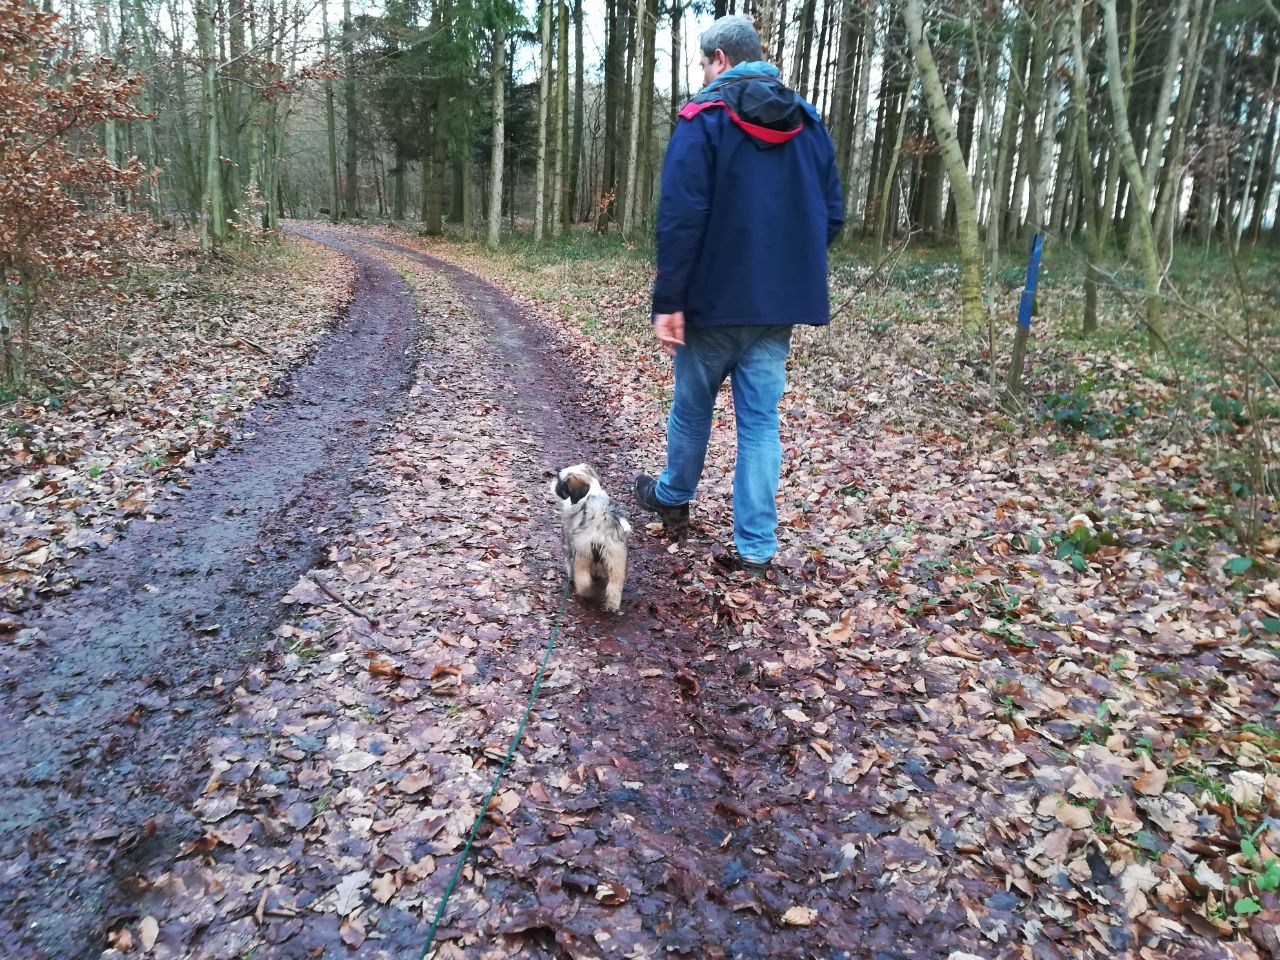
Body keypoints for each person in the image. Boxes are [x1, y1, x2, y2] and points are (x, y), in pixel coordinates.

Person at [633, 14, 844, 578]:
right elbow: (832, 215)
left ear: (721, 59)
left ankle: (673, 497)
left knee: (692, 406)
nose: (701, 75)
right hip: (776, 307)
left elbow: (680, 218)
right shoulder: (809, 123)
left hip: (711, 302)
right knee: (759, 422)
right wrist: (787, 268)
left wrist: (670, 299)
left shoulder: (704, 118)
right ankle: (756, 548)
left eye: (703, 63)